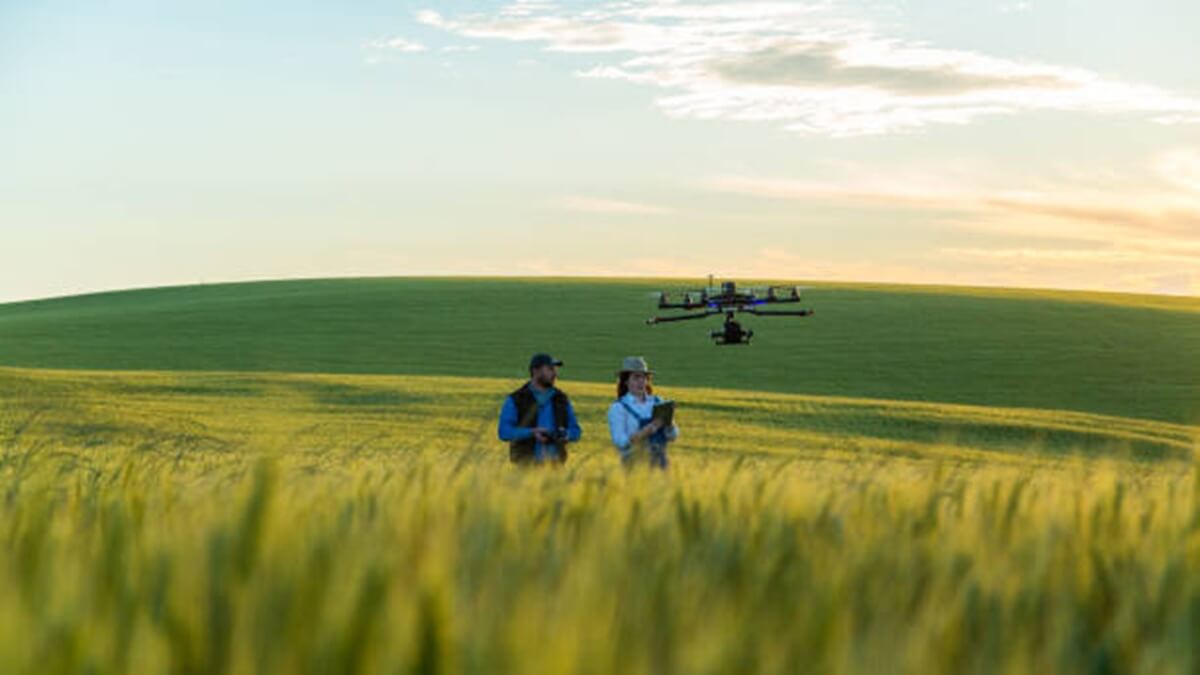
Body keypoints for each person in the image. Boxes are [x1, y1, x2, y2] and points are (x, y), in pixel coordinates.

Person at [498, 352, 582, 465]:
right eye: (550, 369)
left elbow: (576, 431)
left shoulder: (561, 399)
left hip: (556, 467)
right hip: (524, 467)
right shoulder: (516, 399)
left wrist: (565, 434)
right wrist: (532, 433)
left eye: (555, 370)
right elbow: (504, 432)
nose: (554, 374)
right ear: (535, 371)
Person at [607, 356, 679, 469]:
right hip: (633, 465)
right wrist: (647, 431)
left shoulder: (658, 402)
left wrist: (669, 423)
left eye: (644, 377)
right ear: (626, 381)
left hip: (661, 464)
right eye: (636, 378)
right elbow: (620, 442)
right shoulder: (619, 408)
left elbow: (673, 436)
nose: (641, 381)